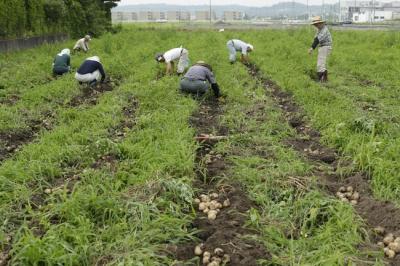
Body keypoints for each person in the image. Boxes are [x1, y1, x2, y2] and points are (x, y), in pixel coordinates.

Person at [308, 16, 333, 82]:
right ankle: (324, 80)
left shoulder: (324, 30)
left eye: (317, 24)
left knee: (320, 64)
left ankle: (321, 81)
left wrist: (312, 48)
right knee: (322, 64)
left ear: (321, 23)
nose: (316, 26)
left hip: (325, 47)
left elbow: (317, 39)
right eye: (315, 24)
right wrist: (312, 47)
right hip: (323, 47)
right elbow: (315, 38)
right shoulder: (320, 29)